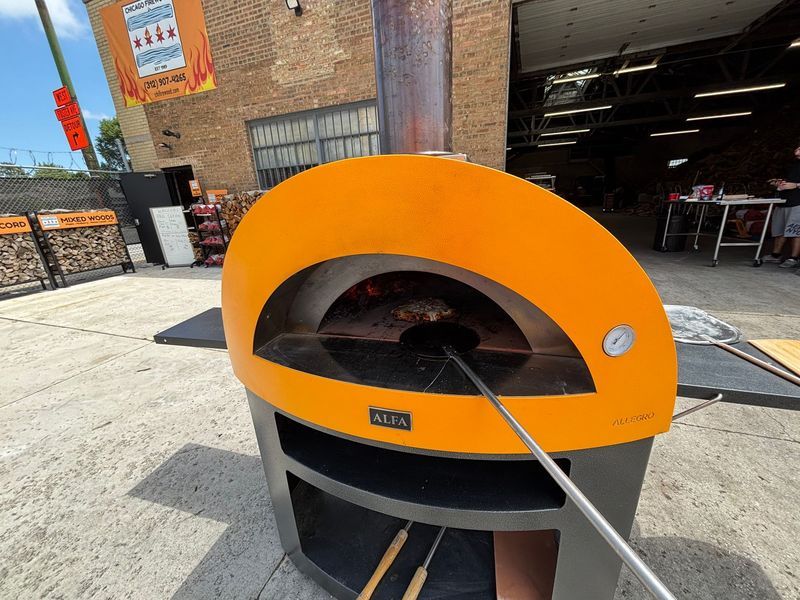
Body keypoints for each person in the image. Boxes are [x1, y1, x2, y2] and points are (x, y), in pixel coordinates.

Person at [763, 145, 800, 268]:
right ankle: (775, 255)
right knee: (779, 229)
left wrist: (796, 185)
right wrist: (777, 182)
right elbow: (783, 179)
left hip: (797, 202)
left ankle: (793, 258)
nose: (796, 150)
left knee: (795, 231)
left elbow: (794, 183)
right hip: (783, 200)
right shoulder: (792, 164)